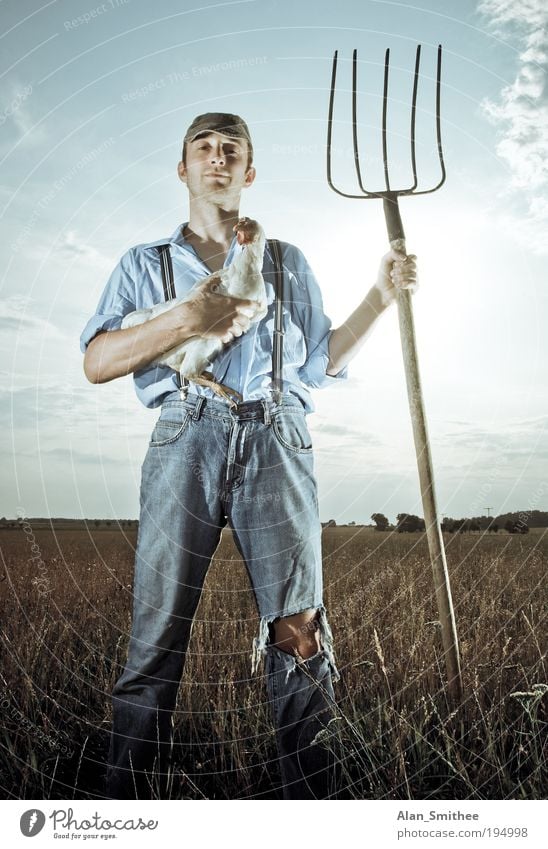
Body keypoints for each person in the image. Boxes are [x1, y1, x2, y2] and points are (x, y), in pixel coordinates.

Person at [80, 112, 417, 800]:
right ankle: (125, 811)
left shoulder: (287, 261)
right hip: (185, 435)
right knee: (155, 642)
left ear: (248, 172)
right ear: (183, 168)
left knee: (300, 637)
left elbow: (319, 361)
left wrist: (383, 295)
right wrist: (184, 319)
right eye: (203, 146)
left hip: (277, 436)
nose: (217, 156)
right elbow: (97, 359)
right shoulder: (143, 265)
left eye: (231, 149)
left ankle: (311, 811)